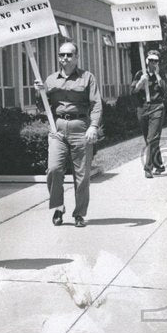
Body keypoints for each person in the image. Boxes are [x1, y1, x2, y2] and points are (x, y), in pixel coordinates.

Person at [34, 41, 102, 228]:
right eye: (61, 55)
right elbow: (42, 108)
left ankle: (79, 213)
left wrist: (93, 126)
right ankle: (58, 207)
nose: (65, 58)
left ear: (77, 57)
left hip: (81, 127)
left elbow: (96, 104)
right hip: (57, 128)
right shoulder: (50, 80)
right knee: (54, 169)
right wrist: (38, 93)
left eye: (69, 55)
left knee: (82, 175)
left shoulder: (87, 78)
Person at [131, 49, 167, 178]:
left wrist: (158, 76)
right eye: (151, 60)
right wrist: (142, 81)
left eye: (156, 61)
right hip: (142, 108)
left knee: (152, 138)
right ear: (147, 61)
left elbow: (166, 91)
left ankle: (148, 168)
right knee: (150, 140)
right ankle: (159, 165)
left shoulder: (161, 74)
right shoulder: (140, 73)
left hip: (157, 107)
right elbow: (133, 91)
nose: (153, 63)